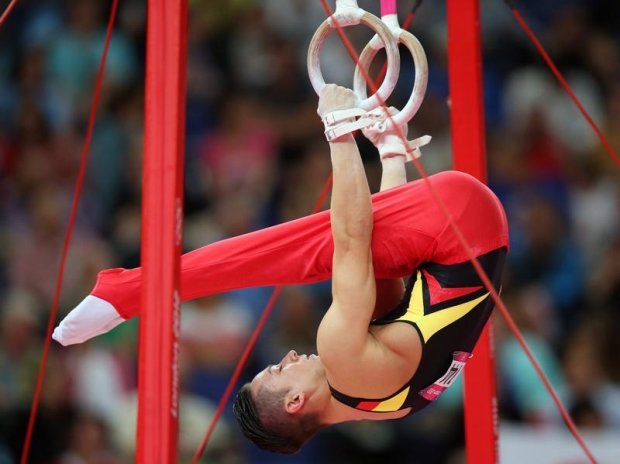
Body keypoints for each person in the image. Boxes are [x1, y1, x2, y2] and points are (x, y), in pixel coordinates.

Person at [53, 85, 508, 454]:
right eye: (276, 370)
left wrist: (391, 155)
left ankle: (130, 291)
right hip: (460, 222)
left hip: (471, 231)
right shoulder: (342, 358)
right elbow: (353, 240)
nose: (287, 357)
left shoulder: (385, 405)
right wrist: (338, 131)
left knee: (335, 251)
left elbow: (392, 267)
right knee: (316, 249)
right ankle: (130, 292)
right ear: (295, 402)